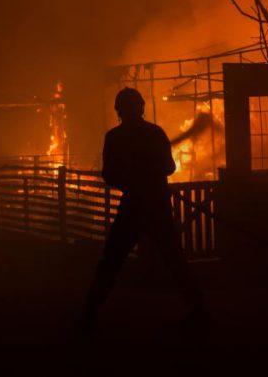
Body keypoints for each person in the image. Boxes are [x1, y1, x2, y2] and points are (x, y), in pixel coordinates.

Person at [83, 87, 209, 335]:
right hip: (156, 205)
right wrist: (148, 175)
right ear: (141, 108)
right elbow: (169, 167)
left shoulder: (115, 138)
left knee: (111, 261)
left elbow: (109, 175)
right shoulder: (154, 133)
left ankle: (88, 314)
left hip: (134, 205)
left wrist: (131, 180)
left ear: (119, 110)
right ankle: (199, 313)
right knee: (174, 260)